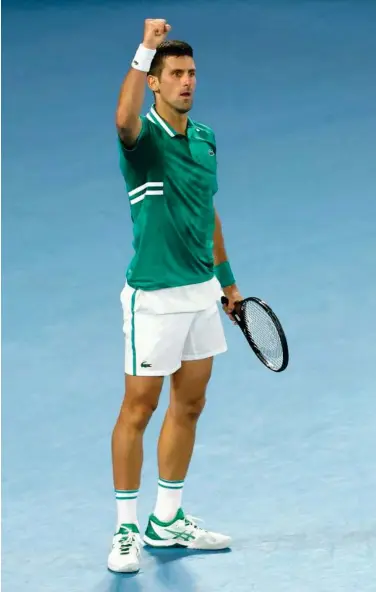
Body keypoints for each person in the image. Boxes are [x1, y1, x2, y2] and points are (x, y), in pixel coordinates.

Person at [108, 18, 242, 573]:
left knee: (190, 403)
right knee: (139, 408)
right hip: (154, 300)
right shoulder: (141, 142)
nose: (187, 82)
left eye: (191, 73)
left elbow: (205, 210)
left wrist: (228, 280)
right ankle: (124, 530)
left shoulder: (206, 139)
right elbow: (122, 117)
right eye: (176, 74)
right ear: (156, 83)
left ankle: (167, 517)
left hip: (200, 294)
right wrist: (145, 50)